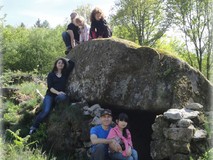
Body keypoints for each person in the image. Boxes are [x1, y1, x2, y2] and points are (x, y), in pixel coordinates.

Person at [29, 58, 75, 134]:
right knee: (46, 111)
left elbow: (72, 64)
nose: (61, 64)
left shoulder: (65, 74)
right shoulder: (51, 74)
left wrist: (65, 59)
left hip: (59, 97)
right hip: (50, 95)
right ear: (56, 64)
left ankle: (55, 106)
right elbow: (50, 88)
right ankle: (34, 127)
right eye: (59, 63)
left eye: (62, 63)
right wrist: (58, 92)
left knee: (63, 97)